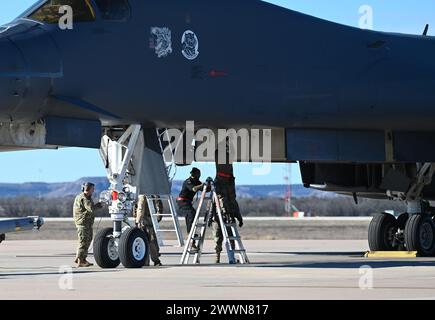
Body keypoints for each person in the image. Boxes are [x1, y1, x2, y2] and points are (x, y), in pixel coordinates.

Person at [211, 144, 243, 263]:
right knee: (218, 237)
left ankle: (232, 257)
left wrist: (239, 217)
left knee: (230, 237)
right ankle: (217, 255)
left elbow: (233, 202)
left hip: (228, 215)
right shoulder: (219, 183)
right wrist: (210, 217)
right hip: (219, 215)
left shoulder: (229, 185)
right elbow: (213, 201)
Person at [73, 182, 102, 268]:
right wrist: (99, 205)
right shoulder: (85, 198)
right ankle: (80, 260)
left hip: (84, 223)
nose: (93, 190)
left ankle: (81, 258)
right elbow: (91, 209)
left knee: (86, 240)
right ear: (88, 189)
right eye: (92, 189)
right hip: (83, 223)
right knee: (84, 241)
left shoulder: (82, 197)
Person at [177, 168, 205, 249]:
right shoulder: (188, 181)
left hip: (187, 202)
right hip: (182, 201)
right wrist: (203, 185)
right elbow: (194, 188)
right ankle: (190, 233)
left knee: (193, 214)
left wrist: (209, 185)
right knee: (191, 213)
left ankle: (192, 236)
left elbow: (204, 189)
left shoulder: (196, 181)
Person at [134, 195, 163, 267]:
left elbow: (140, 208)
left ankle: (149, 260)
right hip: (149, 219)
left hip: (144, 220)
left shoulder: (142, 196)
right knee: (150, 241)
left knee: (149, 241)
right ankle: (153, 260)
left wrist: (137, 220)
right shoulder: (153, 195)